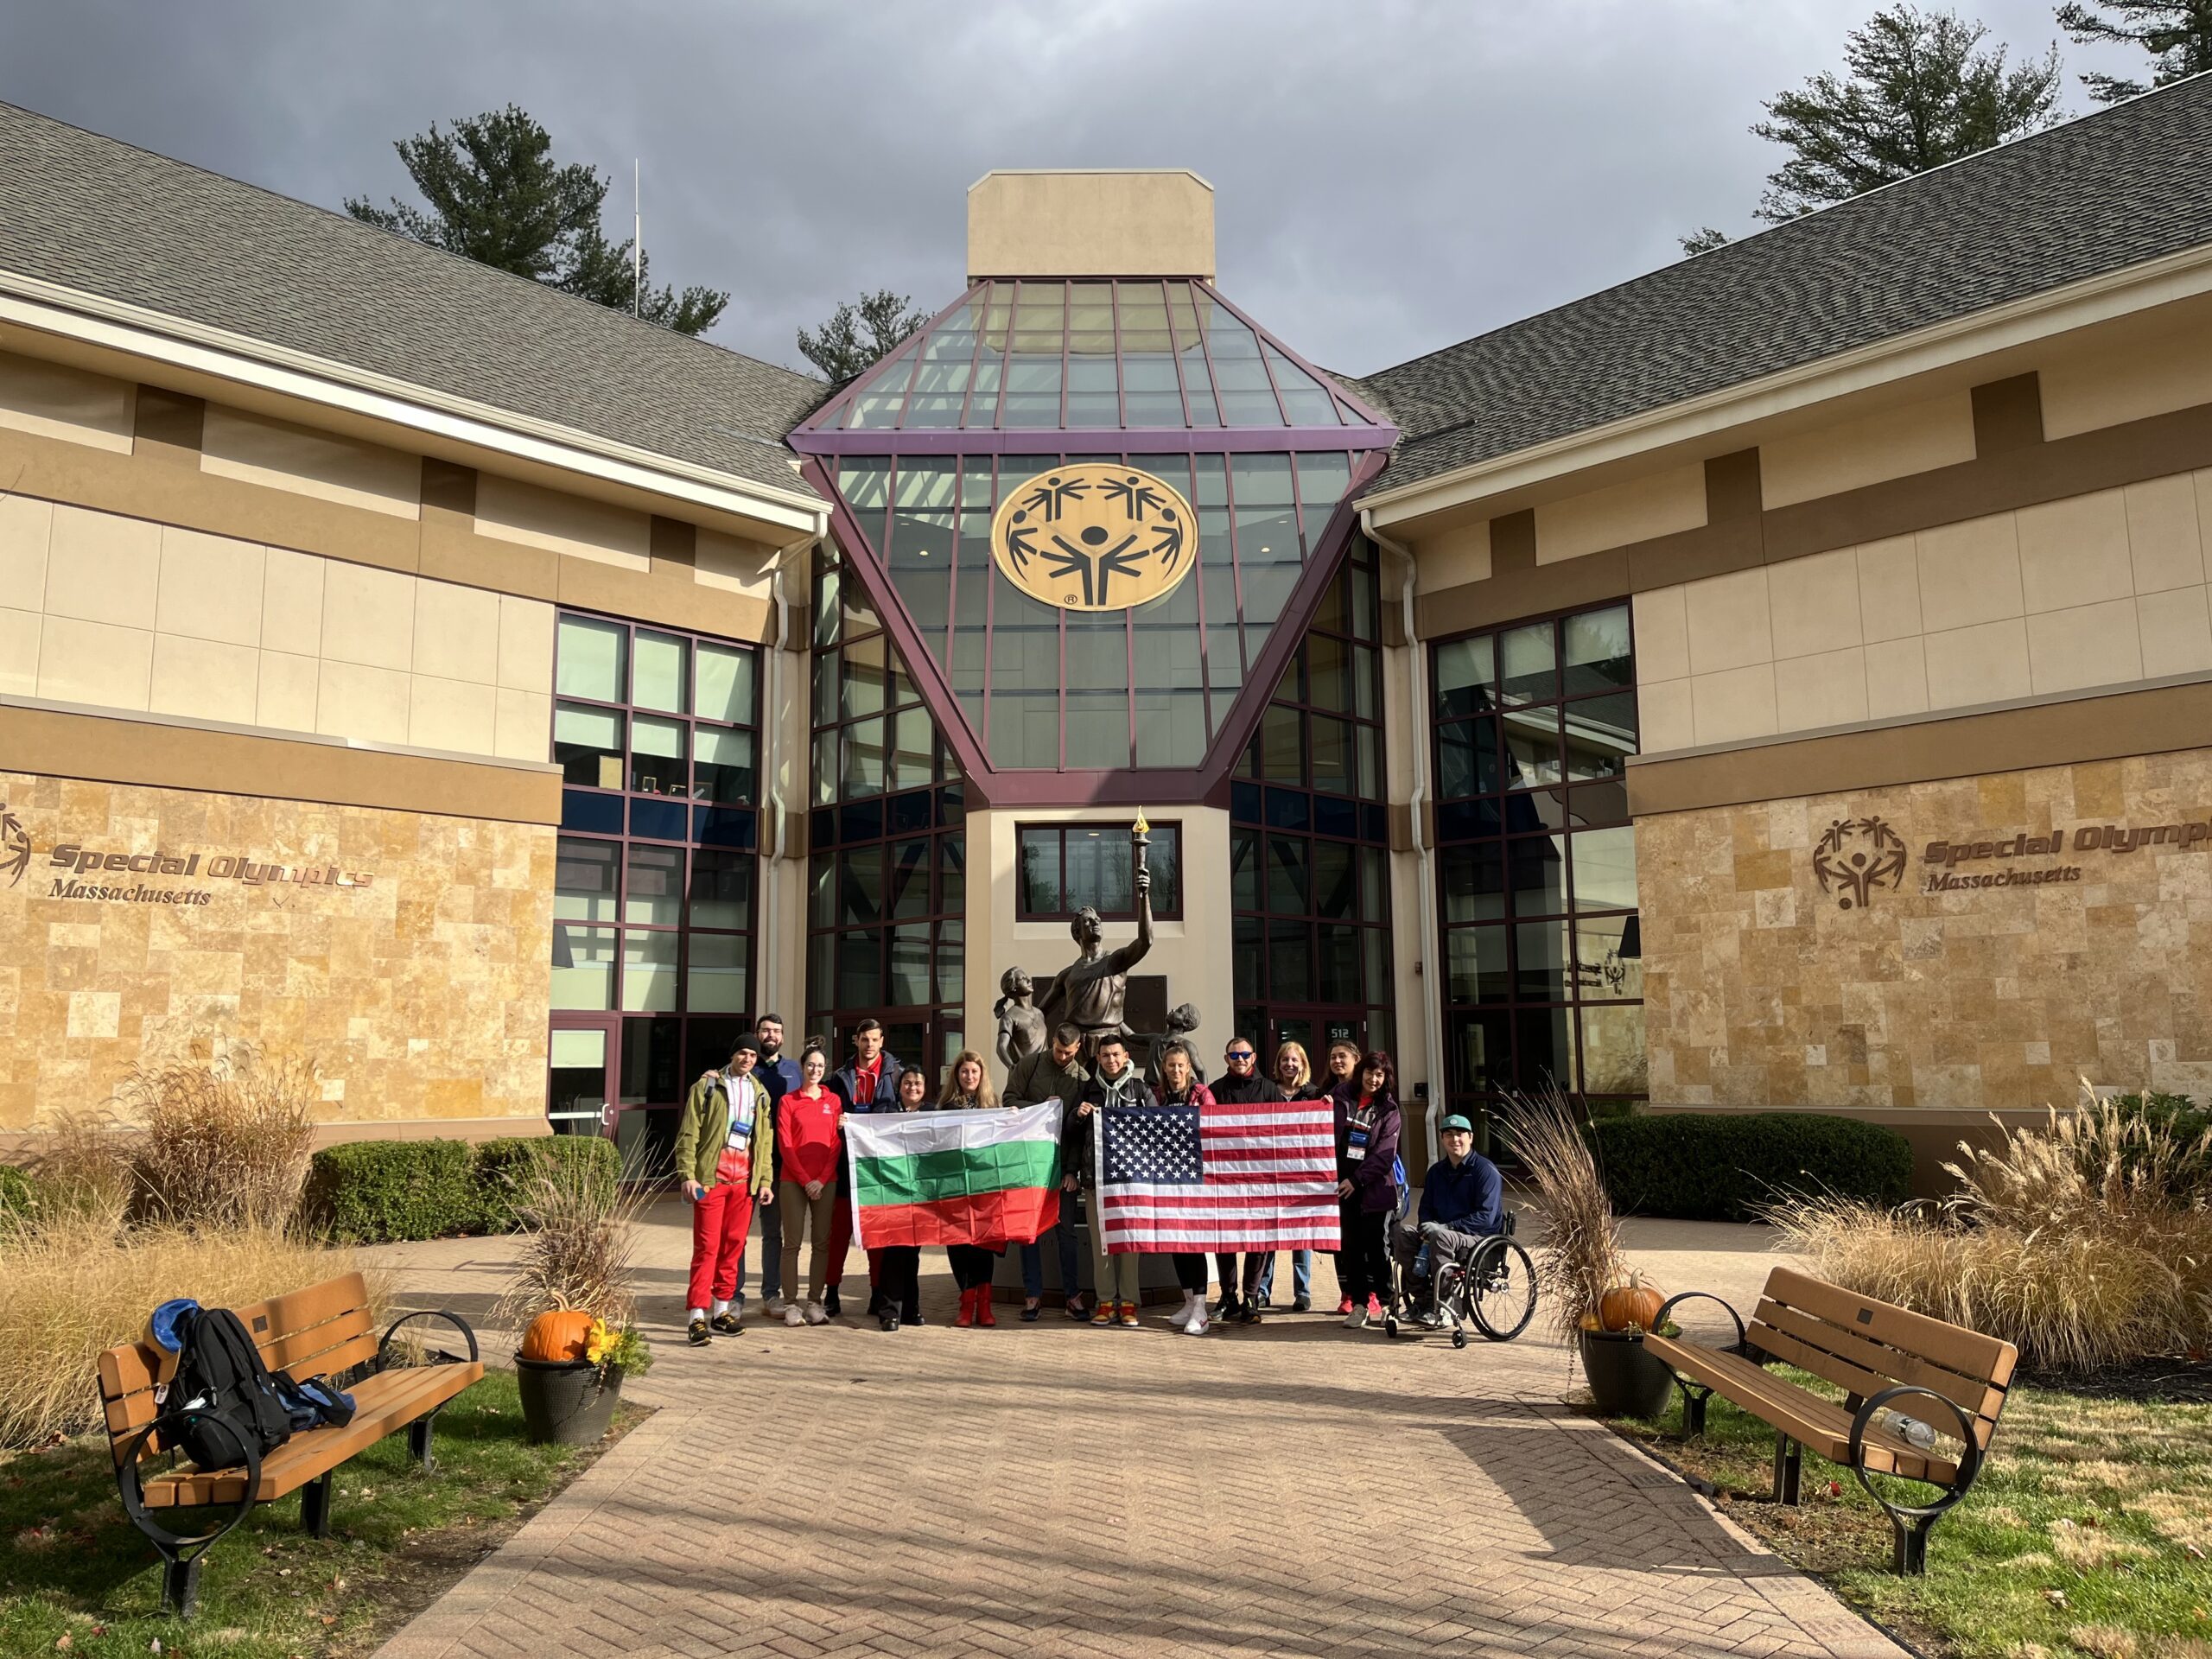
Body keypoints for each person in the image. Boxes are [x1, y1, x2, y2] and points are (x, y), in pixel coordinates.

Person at [672, 1037, 777, 1346]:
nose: (747, 1059)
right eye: (742, 1053)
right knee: (707, 1248)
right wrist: (687, 1175)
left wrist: (765, 1181)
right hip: (710, 1182)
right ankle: (696, 1316)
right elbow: (688, 1133)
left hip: (743, 1184)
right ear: (732, 1055)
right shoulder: (706, 1087)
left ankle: (721, 1311)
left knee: (733, 1247)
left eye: (752, 1055)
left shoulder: (760, 1093)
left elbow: (765, 1141)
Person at [1003, 1021, 1091, 1319]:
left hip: (1062, 1167)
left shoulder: (1082, 1079)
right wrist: (1042, 1106)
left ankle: (1073, 1297)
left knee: (1066, 1233)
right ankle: (1032, 1296)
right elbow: (1009, 1101)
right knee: (1029, 1233)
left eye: (1068, 1052)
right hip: (1029, 1164)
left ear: (1078, 1048)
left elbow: (1080, 1132)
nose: (1062, 1056)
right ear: (1052, 1042)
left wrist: (1071, 1171)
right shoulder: (1028, 1065)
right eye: (1058, 1050)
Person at [1390, 1114, 1505, 1326]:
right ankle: (1422, 1299)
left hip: (1477, 1237)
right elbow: (1425, 1209)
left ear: (1471, 1137)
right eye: (1449, 1135)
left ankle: (1442, 1303)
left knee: (1442, 1237)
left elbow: (1486, 1216)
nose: (1455, 1140)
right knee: (1401, 1232)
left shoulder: (1485, 1171)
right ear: (1442, 1139)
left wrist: (1447, 1227)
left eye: (1460, 1134)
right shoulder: (1436, 1172)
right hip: (1440, 1235)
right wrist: (1426, 1227)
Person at [1071, 1033, 1154, 1327]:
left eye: (1116, 1055)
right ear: (1098, 1058)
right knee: (1101, 1243)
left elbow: (1155, 1129)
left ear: (1126, 1056)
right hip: (1096, 1179)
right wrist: (1078, 1116)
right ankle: (1106, 1301)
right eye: (1106, 1055)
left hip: (1131, 1180)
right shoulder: (1087, 1089)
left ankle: (1129, 1302)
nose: (1111, 1060)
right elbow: (1071, 1133)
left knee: (1129, 1242)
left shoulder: (1141, 1090)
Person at [828, 1019, 903, 1319]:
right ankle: (831, 1292)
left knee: (876, 1235)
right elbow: (828, 1115)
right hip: (845, 1167)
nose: (869, 1045)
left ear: (882, 1040)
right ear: (856, 1041)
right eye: (864, 1040)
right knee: (838, 1234)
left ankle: (876, 1293)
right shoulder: (839, 1077)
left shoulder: (896, 1075)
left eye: (874, 1039)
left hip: (880, 1168)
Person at [1207, 1035, 1284, 1325]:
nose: (1240, 1060)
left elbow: (1283, 1130)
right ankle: (1229, 1297)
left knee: (1258, 1238)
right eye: (1234, 1056)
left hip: (1261, 1179)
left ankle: (1251, 1297)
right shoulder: (1215, 1090)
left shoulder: (1269, 1090)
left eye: (1245, 1055)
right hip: (1225, 1179)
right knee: (1224, 1237)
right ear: (1226, 1059)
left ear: (1254, 1057)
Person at [775, 1042, 844, 1326]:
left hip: (825, 1181)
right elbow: (785, 1145)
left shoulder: (834, 1101)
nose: (815, 1070)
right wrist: (806, 1180)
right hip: (794, 1181)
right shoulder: (788, 1102)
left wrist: (821, 1179)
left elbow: (834, 1144)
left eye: (820, 1066)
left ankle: (815, 1301)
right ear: (802, 1068)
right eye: (810, 1065)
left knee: (822, 1243)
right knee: (791, 1243)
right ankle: (790, 1303)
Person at [935, 1050, 1002, 1329]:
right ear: (957, 1075)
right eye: (964, 1072)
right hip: (955, 1187)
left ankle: (984, 1307)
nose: (970, 1076)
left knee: (983, 1246)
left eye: (974, 1072)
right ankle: (966, 1304)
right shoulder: (946, 1106)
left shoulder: (993, 1105)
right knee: (958, 1245)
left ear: (981, 1075)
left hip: (984, 1186)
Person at [1335, 1050, 1402, 1330]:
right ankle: (1360, 1304)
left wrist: (1358, 1180)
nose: (1373, 1079)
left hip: (1374, 1190)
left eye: (1379, 1074)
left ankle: (1388, 1304)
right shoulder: (1340, 1098)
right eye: (1369, 1072)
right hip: (1343, 1188)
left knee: (1377, 1249)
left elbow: (1384, 1155)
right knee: (1350, 1248)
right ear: (1360, 1071)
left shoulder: (1390, 1111)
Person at [1154, 1039, 1217, 1336]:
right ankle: (1189, 1301)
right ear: (1164, 1069)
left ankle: (1202, 1309)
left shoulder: (1202, 1094)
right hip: (1167, 1179)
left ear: (1189, 1068)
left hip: (1195, 1178)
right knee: (1175, 1241)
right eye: (1171, 1066)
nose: (1176, 1070)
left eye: (1180, 1065)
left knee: (1193, 1242)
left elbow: (1214, 1129)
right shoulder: (1159, 1095)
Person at [1254, 1041, 1319, 1313]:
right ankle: (1262, 1290)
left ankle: (1302, 1293)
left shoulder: (1314, 1093)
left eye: (1294, 1060)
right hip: (1271, 1172)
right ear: (1278, 1064)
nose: (1289, 1065)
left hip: (1301, 1174)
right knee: (1269, 1233)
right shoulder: (1268, 1090)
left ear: (1302, 1063)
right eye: (1284, 1060)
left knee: (1300, 1236)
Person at [871, 1066, 933, 1332]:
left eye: (918, 1083)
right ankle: (889, 1311)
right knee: (895, 1249)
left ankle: (911, 1308)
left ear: (925, 1087)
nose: (912, 1088)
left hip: (921, 1192)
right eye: (907, 1083)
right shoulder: (885, 1112)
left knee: (913, 1254)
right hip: (893, 1190)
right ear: (900, 1086)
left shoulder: (934, 1113)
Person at [751, 1014, 800, 1313]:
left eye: (777, 1031)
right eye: (766, 1030)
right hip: (748, 1162)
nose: (771, 1035)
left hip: (783, 1166)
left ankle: (772, 1294)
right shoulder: (745, 1066)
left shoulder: (794, 1069)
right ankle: (733, 1295)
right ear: (757, 1034)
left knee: (774, 1233)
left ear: (782, 1037)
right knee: (739, 1235)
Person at [994, 967, 1046, 1073]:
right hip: (1025, 1076)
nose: (1028, 981)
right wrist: (1012, 1067)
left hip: (1044, 1075)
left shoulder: (1039, 1013)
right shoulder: (1009, 1017)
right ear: (1014, 987)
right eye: (1023, 979)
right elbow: (1001, 1047)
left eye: (1027, 977)